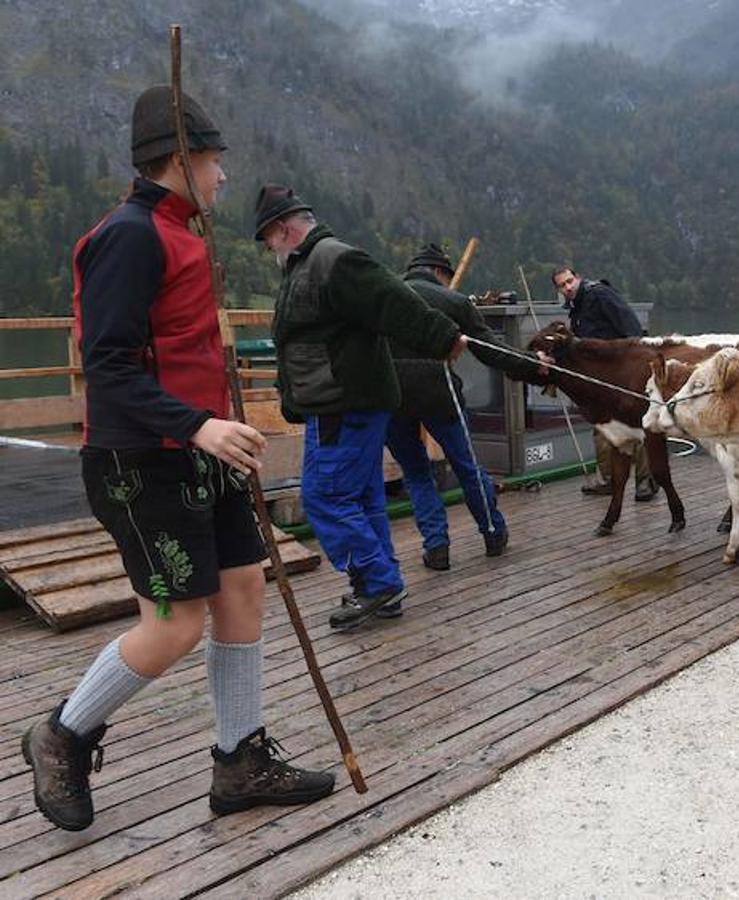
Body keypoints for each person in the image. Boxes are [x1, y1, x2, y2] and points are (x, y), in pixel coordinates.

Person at [20, 87, 333, 833]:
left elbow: (179, 350)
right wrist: (198, 425)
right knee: (176, 622)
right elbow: (108, 364)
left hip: (199, 451)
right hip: (141, 463)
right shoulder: (129, 236)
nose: (224, 178)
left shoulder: (183, 232)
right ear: (183, 159)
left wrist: (217, 429)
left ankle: (239, 762)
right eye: (217, 162)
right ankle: (62, 733)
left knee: (244, 591)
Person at [255, 185, 463, 632]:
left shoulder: (334, 260)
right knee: (361, 496)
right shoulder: (305, 265)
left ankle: (377, 582)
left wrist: (441, 336)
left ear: (282, 229)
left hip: (342, 402)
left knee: (325, 496)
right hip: (335, 402)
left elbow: (392, 298)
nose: (267, 247)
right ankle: (381, 586)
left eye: (267, 238)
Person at [387, 243, 545, 571]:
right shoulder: (453, 301)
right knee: (467, 466)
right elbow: (490, 350)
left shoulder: (386, 295)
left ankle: (437, 547)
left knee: (416, 473)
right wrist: (533, 364)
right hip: (438, 393)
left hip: (392, 397)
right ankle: (492, 533)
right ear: (440, 273)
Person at [549, 266, 656, 500]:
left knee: (635, 425)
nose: (567, 287)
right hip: (599, 377)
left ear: (577, 278)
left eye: (569, 281)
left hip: (622, 371)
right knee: (601, 426)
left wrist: (636, 366)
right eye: (562, 285)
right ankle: (607, 480)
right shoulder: (574, 307)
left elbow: (631, 327)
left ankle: (645, 483)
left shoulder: (600, 294)